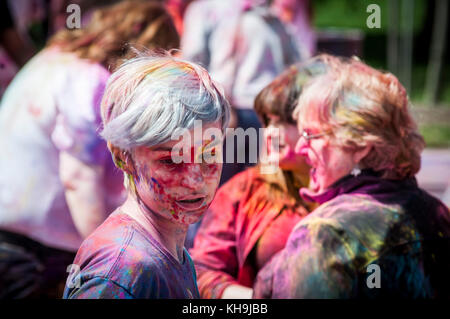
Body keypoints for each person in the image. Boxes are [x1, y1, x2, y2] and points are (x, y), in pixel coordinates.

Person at [0, 0, 179, 298]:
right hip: (35, 251)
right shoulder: (90, 80)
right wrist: (112, 254)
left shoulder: (54, 58)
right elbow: (79, 178)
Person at [253, 58, 450, 298]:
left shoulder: (326, 232)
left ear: (360, 145)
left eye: (312, 134)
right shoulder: (437, 213)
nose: (302, 147)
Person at [63, 51, 230, 299]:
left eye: (209, 156)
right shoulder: (121, 269)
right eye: (170, 160)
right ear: (123, 156)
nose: (194, 180)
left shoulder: (171, 251)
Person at [189, 55, 342, 299]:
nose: (270, 133)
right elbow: (202, 271)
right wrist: (255, 300)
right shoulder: (244, 191)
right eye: (268, 121)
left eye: (286, 121)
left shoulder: (361, 194)